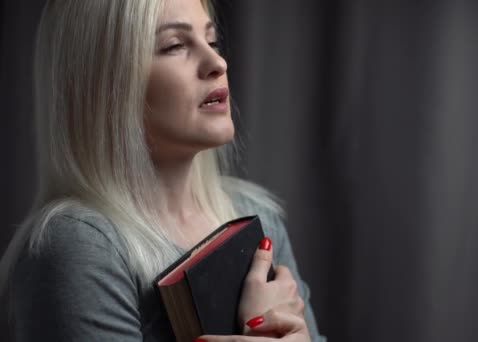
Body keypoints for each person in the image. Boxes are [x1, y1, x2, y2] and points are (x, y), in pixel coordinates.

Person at [0, 0, 325, 341]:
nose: (217, 63)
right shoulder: (78, 247)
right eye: (174, 46)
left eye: (212, 42)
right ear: (105, 81)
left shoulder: (256, 215)